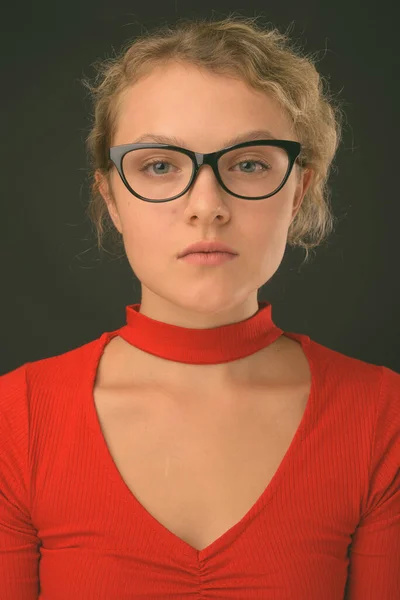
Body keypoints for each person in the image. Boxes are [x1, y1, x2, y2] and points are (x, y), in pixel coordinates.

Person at [1, 14, 399, 600]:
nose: (206, 206)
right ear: (111, 198)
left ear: (299, 193)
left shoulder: (384, 418)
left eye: (249, 163)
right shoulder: (15, 421)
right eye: (160, 166)